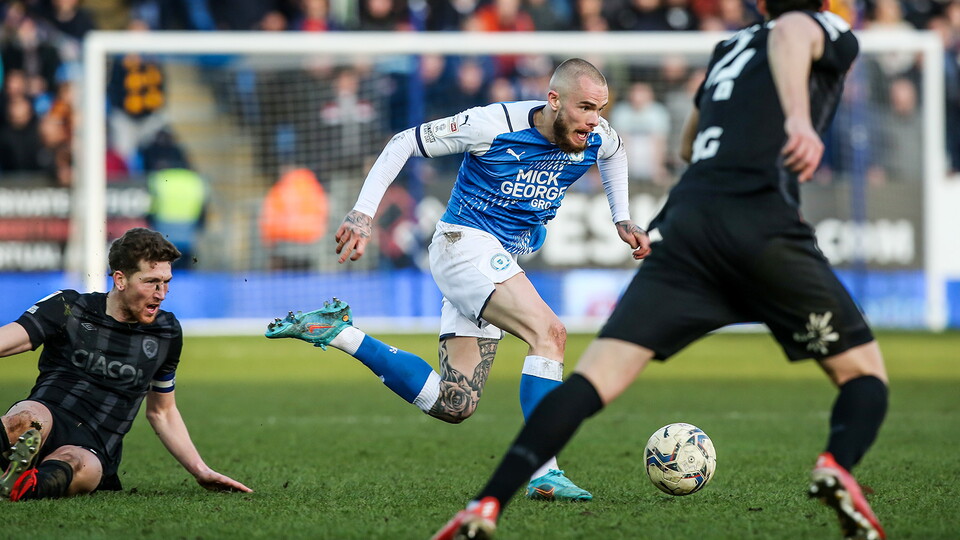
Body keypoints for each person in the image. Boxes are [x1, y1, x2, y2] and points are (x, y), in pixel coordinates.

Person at [432, 2, 889, 539]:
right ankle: (836, 463)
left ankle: (487, 503)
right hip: (763, 224)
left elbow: (689, 143)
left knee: (591, 380)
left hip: (690, 225)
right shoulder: (816, 26)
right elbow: (792, 32)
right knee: (863, 376)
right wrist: (795, 122)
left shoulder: (729, 49)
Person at [265, 58, 651, 502]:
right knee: (550, 334)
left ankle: (338, 332)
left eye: (600, 109)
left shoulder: (597, 136)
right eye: (585, 107)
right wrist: (362, 215)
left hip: (494, 259)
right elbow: (402, 143)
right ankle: (544, 471)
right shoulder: (493, 123)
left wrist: (622, 218)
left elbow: (615, 153)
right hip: (464, 245)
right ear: (553, 100)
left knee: (455, 403)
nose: (594, 121)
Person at [0, 227, 251, 501]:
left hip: (94, 445)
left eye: (166, 282)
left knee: (77, 465)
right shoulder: (69, 307)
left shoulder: (166, 332)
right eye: (151, 282)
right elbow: (9, 340)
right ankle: (20, 470)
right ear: (120, 279)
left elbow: (162, 412)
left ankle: (20, 485)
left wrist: (201, 470)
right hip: (50, 412)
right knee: (28, 420)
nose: (161, 293)